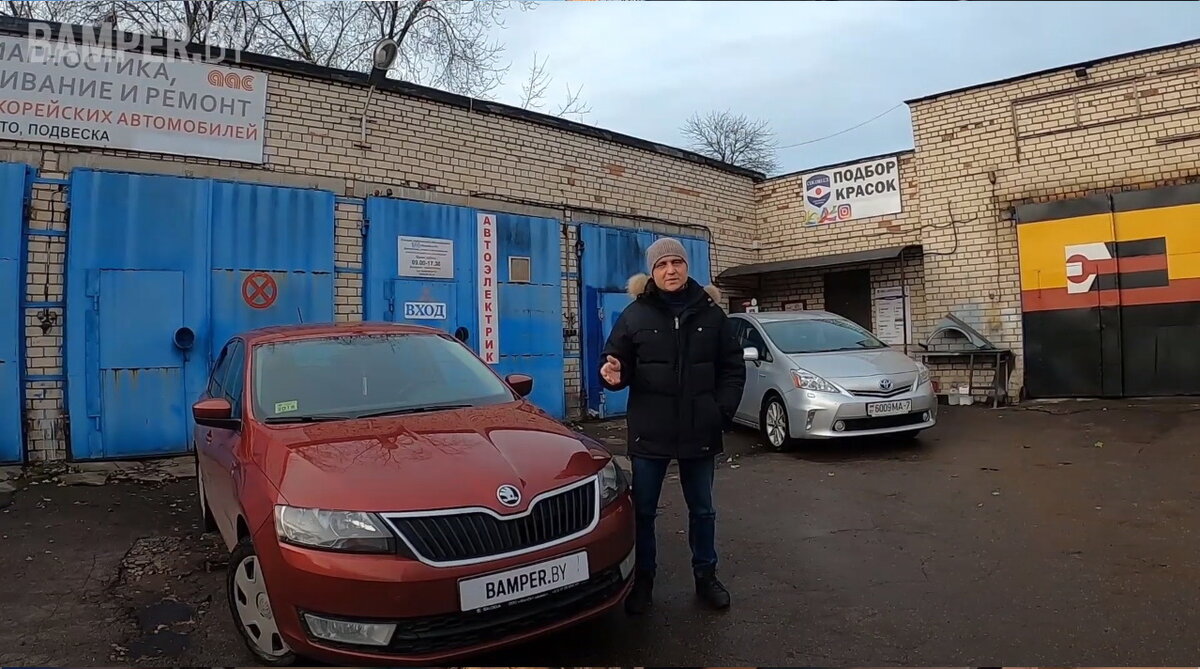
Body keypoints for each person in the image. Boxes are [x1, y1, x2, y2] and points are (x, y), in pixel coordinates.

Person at [600, 237, 746, 614]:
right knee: (644, 512)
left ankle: (706, 576)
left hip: (700, 428)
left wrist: (721, 411)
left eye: (676, 263)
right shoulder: (634, 315)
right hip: (651, 430)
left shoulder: (712, 315)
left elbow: (732, 368)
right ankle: (643, 581)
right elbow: (616, 361)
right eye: (662, 265)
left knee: (703, 511)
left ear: (686, 267)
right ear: (652, 272)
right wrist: (612, 373)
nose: (670, 271)